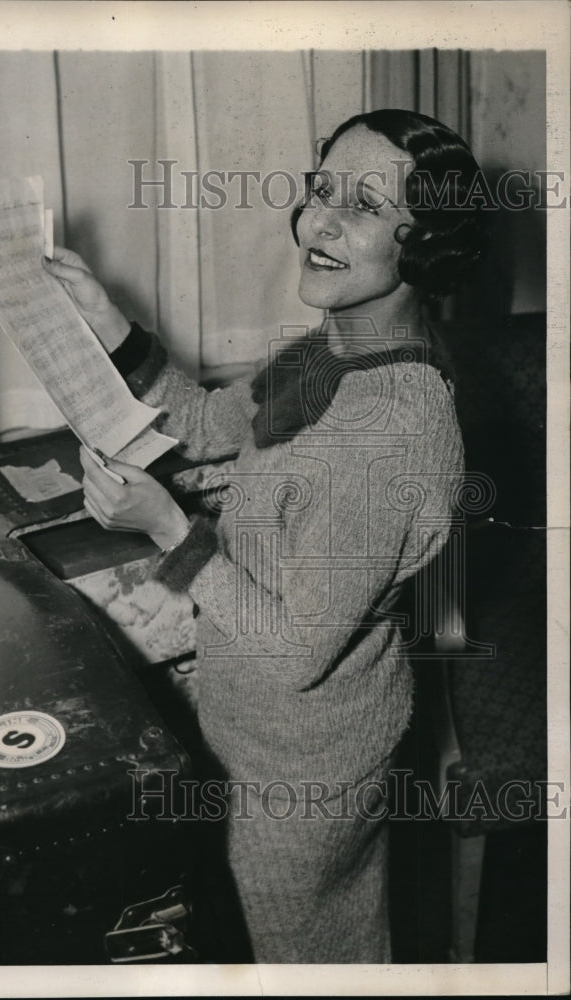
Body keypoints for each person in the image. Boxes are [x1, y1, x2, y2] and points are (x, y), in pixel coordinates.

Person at [42, 109, 487, 963]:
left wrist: (170, 526)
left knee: (314, 957)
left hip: (307, 769)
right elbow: (208, 418)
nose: (320, 222)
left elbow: (295, 651)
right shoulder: (334, 347)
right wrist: (108, 320)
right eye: (321, 190)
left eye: (360, 205)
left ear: (421, 242)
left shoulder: (393, 426)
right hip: (249, 730)